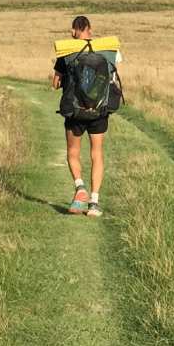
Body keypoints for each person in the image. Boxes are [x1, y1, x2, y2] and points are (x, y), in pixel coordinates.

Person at [52, 14, 120, 217]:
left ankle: (80, 187)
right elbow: (112, 76)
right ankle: (94, 202)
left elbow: (55, 84)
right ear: (90, 28)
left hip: (75, 112)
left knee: (73, 152)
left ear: (74, 30)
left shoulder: (67, 52)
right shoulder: (108, 50)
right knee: (96, 154)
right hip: (99, 111)